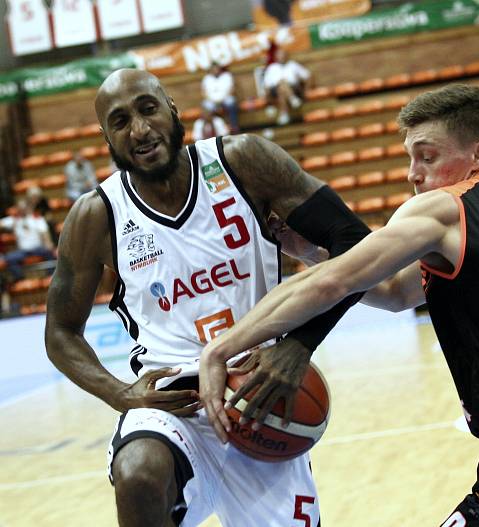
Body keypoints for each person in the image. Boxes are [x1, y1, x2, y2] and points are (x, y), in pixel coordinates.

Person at [199, 84, 479, 526]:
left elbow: (331, 284)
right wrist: (314, 251)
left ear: (478, 154)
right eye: (411, 158)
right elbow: (395, 293)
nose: (413, 173)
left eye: (427, 156)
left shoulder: (447, 208)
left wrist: (220, 349)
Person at [44, 68, 370, 527]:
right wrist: (119, 394)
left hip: (260, 395)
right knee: (138, 474)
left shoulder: (245, 162)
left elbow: (354, 243)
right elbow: (60, 332)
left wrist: (298, 345)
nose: (139, 129)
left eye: (147, 108)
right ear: (106, 138)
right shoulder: (95, 216)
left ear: (173, 110)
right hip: (173, 406)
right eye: (119, 121)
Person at [0, 197, 55, 281]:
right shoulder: (14, 220)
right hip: (23, 251)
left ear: (28, 208)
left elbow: (45, 234)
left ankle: (51, 275)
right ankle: (20, 278)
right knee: (9, 258)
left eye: (24, 207)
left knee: (49, 252)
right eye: (20, 208)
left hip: (38, 248)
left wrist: (49, 244)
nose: (23, 209)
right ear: (18, 209)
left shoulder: (36, 218)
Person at [263, 48, 310, 126]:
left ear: (287, 56)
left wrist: (307, 89)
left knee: (281, 90)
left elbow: (307, 76)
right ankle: (292, 99)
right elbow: (266, 85)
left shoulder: (293, 65)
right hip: (275, 90)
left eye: (283, 55)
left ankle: (284, 114)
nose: (281, 57)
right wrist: (268, 100)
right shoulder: (272, 67)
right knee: (281, 84)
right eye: (279, 55)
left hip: (294, 88)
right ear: (276, 57)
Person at [201, 62, 240, 133]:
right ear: (210, 69)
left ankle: (234, 126)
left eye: (217, 68)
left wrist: (222, 99)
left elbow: (232, 89)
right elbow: (203, 92)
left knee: (232, 102)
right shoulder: (207, 78)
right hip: (212, 100)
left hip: (225, 98)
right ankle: (212, 130)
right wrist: (213, 100)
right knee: (205, 105)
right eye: (213, 69)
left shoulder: (227, 76)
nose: (215, 70)